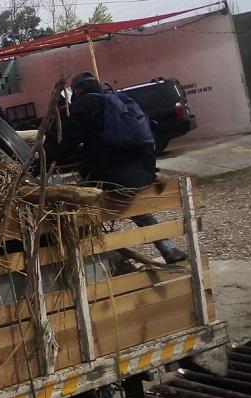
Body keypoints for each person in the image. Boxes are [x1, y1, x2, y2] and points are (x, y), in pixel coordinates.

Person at [45, 71, 187, 264]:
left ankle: (89, 260)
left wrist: (43, 160)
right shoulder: (123, 100)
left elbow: (65, 142)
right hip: (143, 171)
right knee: (129, 200)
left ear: (77, 91)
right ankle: (167, 247)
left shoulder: (85, 105)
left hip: (111, 175)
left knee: (75, 201)